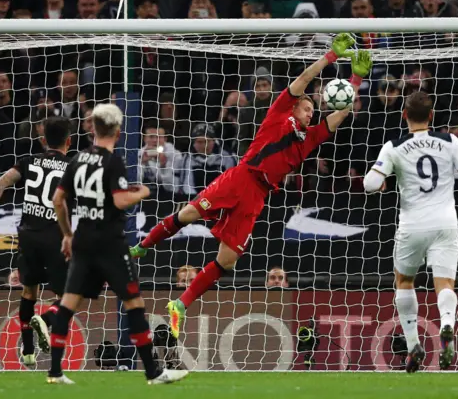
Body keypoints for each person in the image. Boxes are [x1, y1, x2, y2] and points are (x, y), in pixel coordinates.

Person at [131, 34, 372, 340]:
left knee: (227, 260)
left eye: (313, 110)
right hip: (240, 178)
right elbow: (302, 79)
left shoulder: (309, 139)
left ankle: (180, 303)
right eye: (307, 107)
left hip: (257, 196)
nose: (311, 112)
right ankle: (141, 247)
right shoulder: (277, 118)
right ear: (294, 108)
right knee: (189, 214)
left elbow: (339, 115)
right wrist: (330, 57)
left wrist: (356, 78)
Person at [50, 104, 187, 384]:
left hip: (83, 239)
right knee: (134, 303)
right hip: (110, 244)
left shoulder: (77, 159)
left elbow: (58, 200)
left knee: (68, 303)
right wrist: (143, 191)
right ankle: (153, 371)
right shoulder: (113, 161)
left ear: (93, 128)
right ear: (118, 131)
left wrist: (67, 234)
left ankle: (54, 372)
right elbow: (120, 201)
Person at [363, 91, 458, 373]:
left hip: (412, 225)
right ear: (431, 116)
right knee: (445, 284)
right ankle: (448, 324)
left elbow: (369, 184)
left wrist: (381, 180)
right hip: (445, 223)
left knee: (404, 280)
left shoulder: (393, 146)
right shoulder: (450, 140)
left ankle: (413, 343)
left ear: (405, 115)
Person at [0, 117, 73, 367]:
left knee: (29, 291)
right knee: (70, 294)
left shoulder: (29, 162)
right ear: (69, 141)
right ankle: (47, 321)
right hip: (56, 236)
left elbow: (1, 183)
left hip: (28, 235)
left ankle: (28, 350)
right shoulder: (73, 166)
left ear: (43, 140)